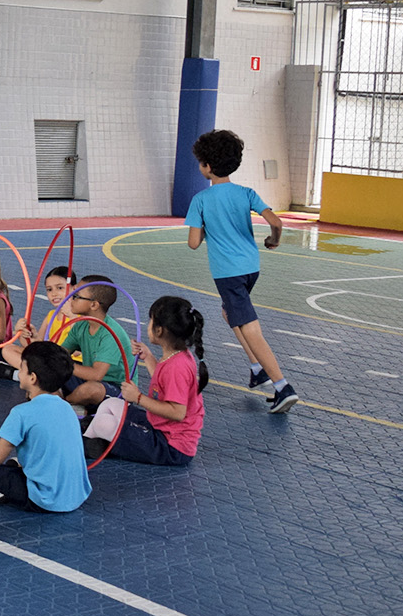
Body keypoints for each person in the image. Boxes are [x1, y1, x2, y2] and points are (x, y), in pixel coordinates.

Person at [185, 128, 297, 413]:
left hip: (227, 273)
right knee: (229, 312)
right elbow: (277, 223)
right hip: (250, 268)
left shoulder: (201, 200)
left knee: (250, 327)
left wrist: (206, 226)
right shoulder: (246, 193)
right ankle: (256, 367)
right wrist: (273, 240)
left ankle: (282, 386)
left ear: (207, 166)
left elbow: (193, 243)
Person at [0, 342, 90, 512]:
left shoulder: (22, 413)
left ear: (33, 378)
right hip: (75, 495)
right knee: (16, 462)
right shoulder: (67, 408)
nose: (19, 373)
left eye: (21, 369)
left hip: (42, 500)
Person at [83, 296, 208, 466]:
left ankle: (89, 445)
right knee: (110, 404)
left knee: (104, 423)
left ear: (159, 330)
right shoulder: (177, 355)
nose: (148, 324)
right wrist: (148, 356)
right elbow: (164, 383)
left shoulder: (177, 367)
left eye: (151, 321)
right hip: (160, 425)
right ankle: (89, 443)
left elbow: (178, 412)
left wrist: (138, 398)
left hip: (171, 447)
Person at [55, 275, 137, 411]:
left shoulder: (110, 333)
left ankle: (65, 403)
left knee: (90, 389)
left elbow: (96, 375)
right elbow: (59, 352)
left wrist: (62, 364)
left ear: (94, 305)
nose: (70, 299)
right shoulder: (81, 325)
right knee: (47, 365)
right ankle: (70, 401)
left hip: (116, 389)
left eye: (76, 296)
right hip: (88, 379)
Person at [0, 265, 78, 381]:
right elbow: (38, 347)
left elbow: (81, 349)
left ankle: (20, 375)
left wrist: (72, 316)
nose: (54, 294)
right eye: (49, 289)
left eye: (60, 288)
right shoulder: (51, 316)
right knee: (8, 349)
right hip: (49, 361)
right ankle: (34, 376)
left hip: (68, 364)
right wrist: (26, 335)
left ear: (74, 288)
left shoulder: (80, 316)